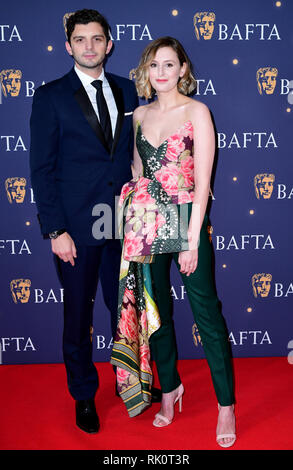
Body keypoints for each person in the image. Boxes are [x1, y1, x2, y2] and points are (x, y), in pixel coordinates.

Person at [29, 8, 161, 435]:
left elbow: (132, 159)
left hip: (121, 224)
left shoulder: (127, 91)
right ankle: (84, 394)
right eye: (81, 40)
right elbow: (42, 169)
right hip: (75, 229)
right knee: (77, 315)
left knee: (125, 310)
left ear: (109, 44)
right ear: (69, 46)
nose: (90, 46)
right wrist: (55, 230)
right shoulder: (50, 96)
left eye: (97, 39)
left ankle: (133, 380)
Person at [117, 36, 236, 447]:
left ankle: (226, 405)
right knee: (156, 315)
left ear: (183, 69)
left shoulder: (197, 111)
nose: (161, 72)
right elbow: (137, 172)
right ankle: (169, 390)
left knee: (207, 314)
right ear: (146, 71)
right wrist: (132, 223)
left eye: (169, 64)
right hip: (147, 223)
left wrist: (192, 241)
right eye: (154, 66)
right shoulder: (139, 115)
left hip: (187, 219)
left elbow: (203, 183)